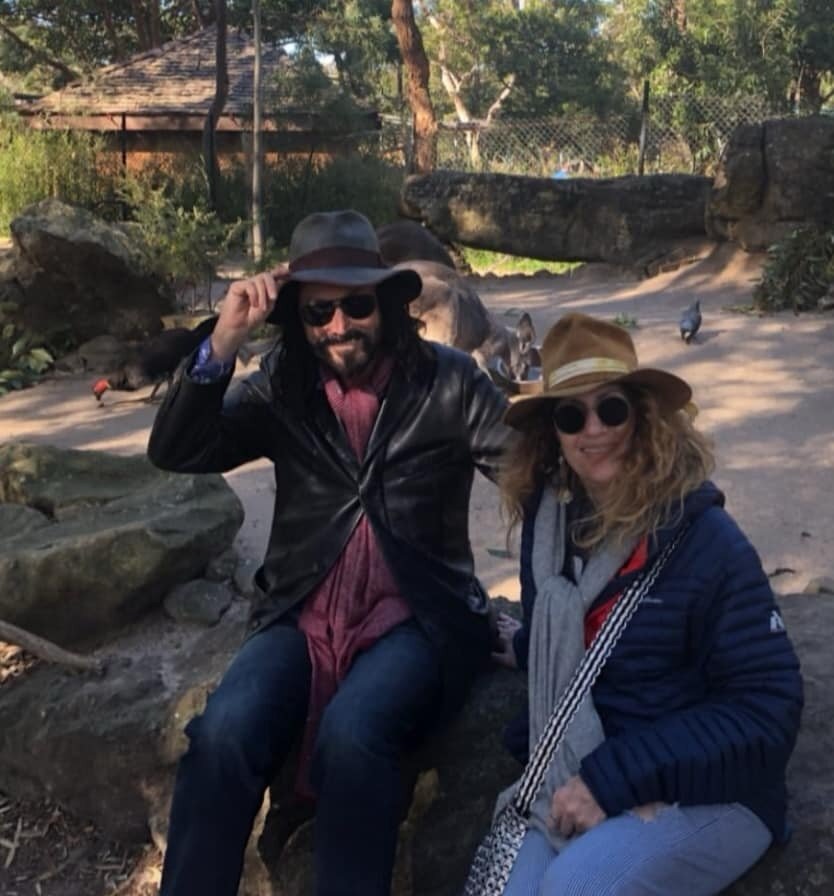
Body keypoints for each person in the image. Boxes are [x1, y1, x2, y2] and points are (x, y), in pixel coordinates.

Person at [147, 209, 511, 895]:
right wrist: (224, 338)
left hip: (418, 618)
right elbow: (177, 449)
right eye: (318, 312)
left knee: (354, 732)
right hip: (300, 609)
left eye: (356, 305)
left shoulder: (450, 381)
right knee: (222, 733)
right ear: (299, 319)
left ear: (388, 304)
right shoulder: (282, 386)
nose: (338, 325)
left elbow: (533, 470)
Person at [489, 312, 803, 896]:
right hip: (577, 771)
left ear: (643, 415)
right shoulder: (549, 529)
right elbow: (580, 642)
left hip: (710, 790)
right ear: (552, 434)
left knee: (575, 887)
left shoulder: (708, 542)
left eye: (611, 409)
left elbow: (766, 710)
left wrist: (613, 780)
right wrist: (529, 645)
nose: (593, 430)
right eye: (570, 415)